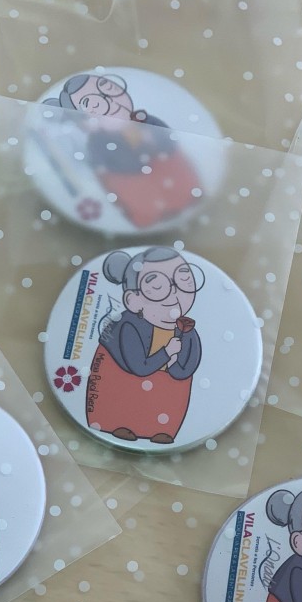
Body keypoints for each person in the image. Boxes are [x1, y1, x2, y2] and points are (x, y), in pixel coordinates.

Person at [43, 73, 201, 229]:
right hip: (140, 193)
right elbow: (118, 172)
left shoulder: (146, 120)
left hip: (176, 181)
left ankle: (183, 200)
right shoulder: (98, 143)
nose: (110, 103)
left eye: (110, 91)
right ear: (86, 123)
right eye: (93, 105)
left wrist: (153, 140)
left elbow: (170, 146)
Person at [86, 247, 202, 445]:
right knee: (122, 394)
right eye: (157, 287)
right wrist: (167, 353)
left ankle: (161, 429)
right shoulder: (127, 326)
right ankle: (116, 423)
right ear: (133, 301)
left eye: (184, 282)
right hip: (126, 379)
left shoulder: (187, 330)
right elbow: (138, 366)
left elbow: (189, 364)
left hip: (164, 391)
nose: (174, 293)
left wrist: (174, 366)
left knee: (171, 392)